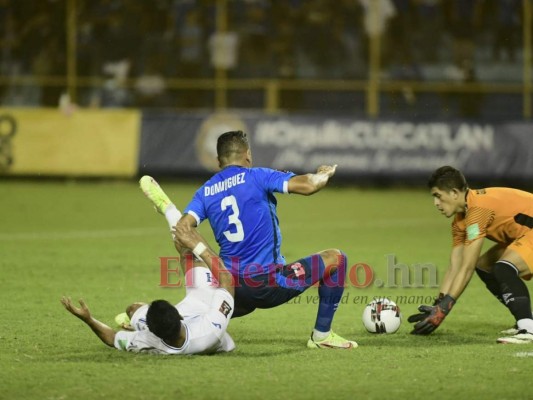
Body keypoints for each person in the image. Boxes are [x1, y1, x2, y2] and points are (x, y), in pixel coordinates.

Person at [140, 130, 357, 349]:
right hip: (268, 284)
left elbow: (182, 231)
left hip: (229, 286)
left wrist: (201, 252)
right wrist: (324, 174)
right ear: (248, 155)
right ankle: (322, 336)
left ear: (218, 161)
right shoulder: (258, 176)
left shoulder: (205, 192)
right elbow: (310, 185)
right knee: (336, 259)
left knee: (202, 308)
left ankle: (146, 323)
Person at [61, 221, 237, 355]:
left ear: (151, 330)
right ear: (179, 315)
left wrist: (89, 320)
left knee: (133, 308)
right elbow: (227, 279)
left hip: (180, 323)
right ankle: (185, 238)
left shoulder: (147, 341)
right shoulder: (210, 329)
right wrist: (196, 245)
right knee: (191, 256)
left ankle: (133, 322)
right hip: (203, 310)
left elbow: (113, 338)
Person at [408, 166, 533, 344]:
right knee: (485, 266)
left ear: (453, 193)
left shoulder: (478, 210)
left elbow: (466, 268)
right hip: (526, 232)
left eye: (438, 196)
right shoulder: (460, 220)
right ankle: (526, 318)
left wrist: (445, 308)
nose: (436, 203)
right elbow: (455, 266)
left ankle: (528, 328)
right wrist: (439, 304)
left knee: (504, 267)